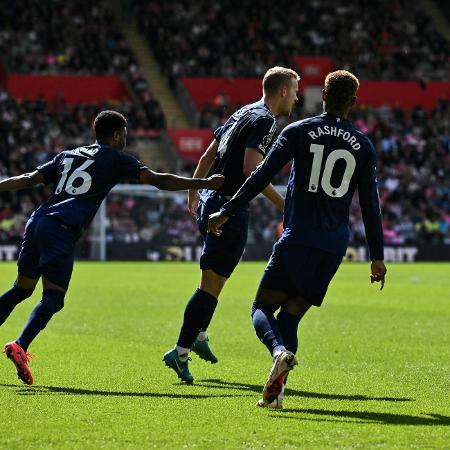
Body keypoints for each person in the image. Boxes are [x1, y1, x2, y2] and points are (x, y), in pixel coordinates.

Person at [0, 110, 224, 385]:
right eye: (125, 136)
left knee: (21, 288)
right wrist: (203, 183)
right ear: (117, 135)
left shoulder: (68, 155)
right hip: (61, 229)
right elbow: (158, 180)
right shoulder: (115, 158)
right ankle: (20, 345)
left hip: (37, 221)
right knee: (53, 298)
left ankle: (19, 344)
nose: (125, 142)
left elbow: (27, 179)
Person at [208, 70, 387, 408]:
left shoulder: (299, 131)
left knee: (261, 306)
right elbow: (370, 205)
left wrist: (228, 209)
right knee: (289, 317)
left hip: (297, 238)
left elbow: (260, 175)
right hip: (332, 247)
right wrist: (377, 256)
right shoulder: (363, 145)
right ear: (354, 101)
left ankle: (278, 351)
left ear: (321, 96)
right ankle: (276, 393)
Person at [163, 67, 300, 383]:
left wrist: (194, 191)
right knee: (209, 287)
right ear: (281, 91)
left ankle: (197, 335)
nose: (296, 97)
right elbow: (252, 169)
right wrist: (284, 206)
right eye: (294, 91)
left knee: (214, 283)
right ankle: (181, 351)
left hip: (212, 200)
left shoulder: (242, 112)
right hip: (228, 208)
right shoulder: (265, 120)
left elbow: (209, 154)